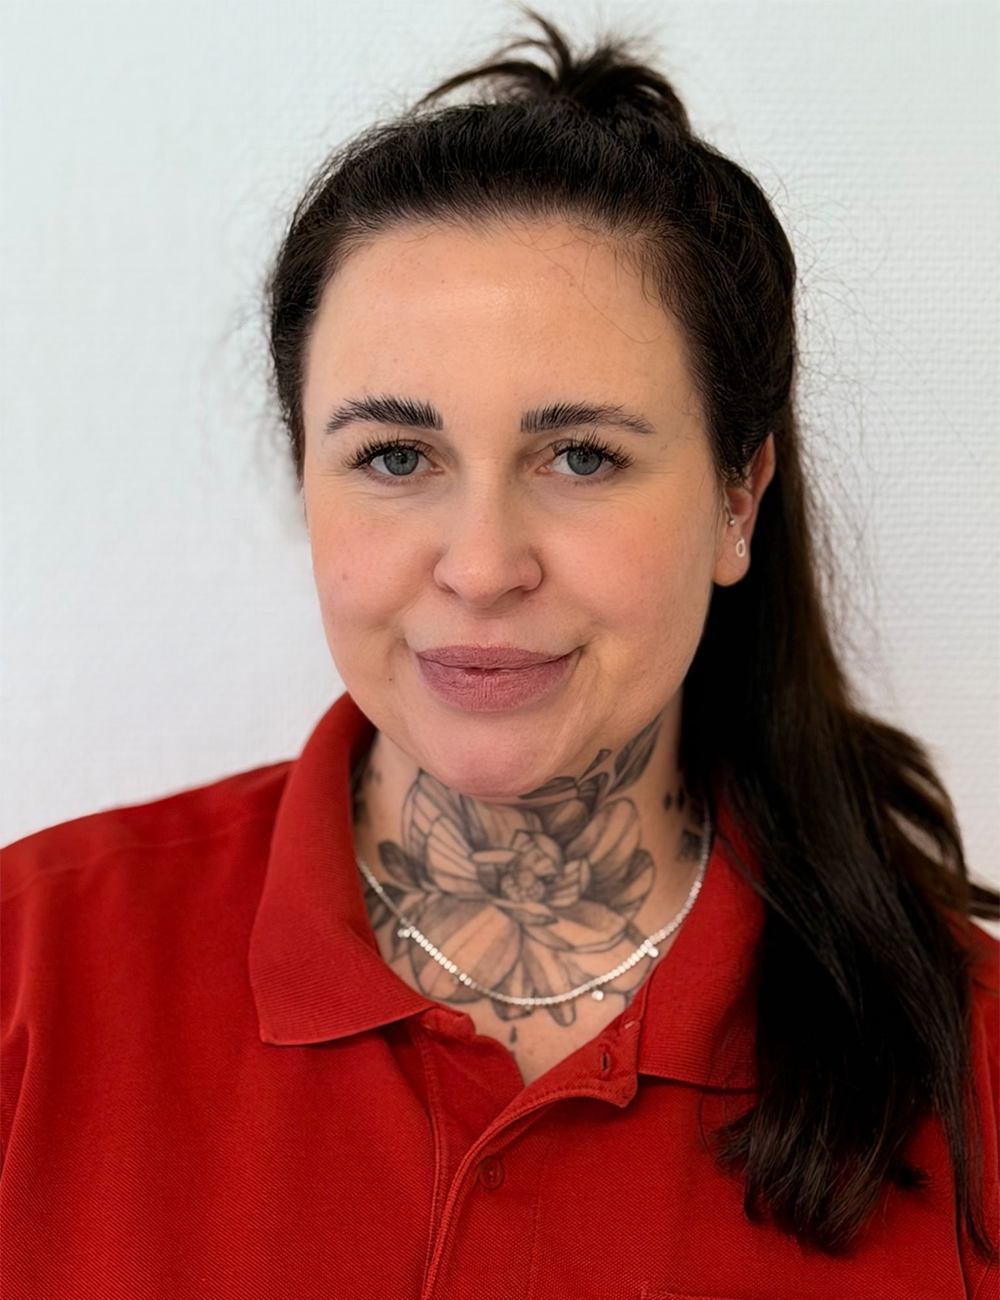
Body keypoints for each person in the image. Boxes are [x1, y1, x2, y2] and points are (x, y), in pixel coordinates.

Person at [2, 6, 997, 1298]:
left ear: (737, 500)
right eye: (394, 457)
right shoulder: (31, 971)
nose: (481, 567)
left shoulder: (975, 1066)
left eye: (581, 456)